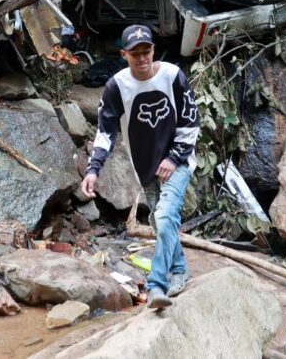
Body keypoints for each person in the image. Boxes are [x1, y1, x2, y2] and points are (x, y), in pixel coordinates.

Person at [80, 24, 201, 310]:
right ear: (124, 55)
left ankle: (158, 285)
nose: (142, 58)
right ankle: (181, 269)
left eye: (146, 51)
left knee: (166, 213)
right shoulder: (116, 87)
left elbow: (190, 121)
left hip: (178, 161)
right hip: (145, 166)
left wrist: (174, 157)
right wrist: (93, 169)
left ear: (153, 50)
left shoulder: (172, 76)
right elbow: (106, 132)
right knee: (162, 222)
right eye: (135, 54)